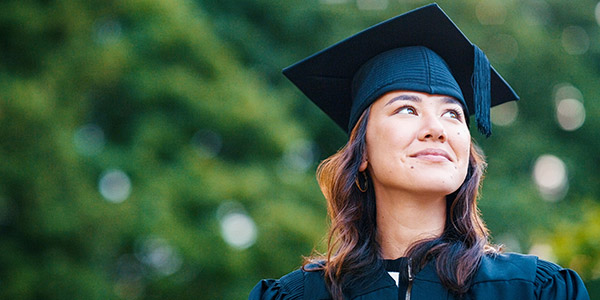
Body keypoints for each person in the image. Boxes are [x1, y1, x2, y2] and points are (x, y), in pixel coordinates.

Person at [249, 4, 589, 300]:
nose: (436, 129)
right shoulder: (299, 296)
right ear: (362, 151)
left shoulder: (532, 290)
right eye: (407, 109)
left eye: (453, 114)